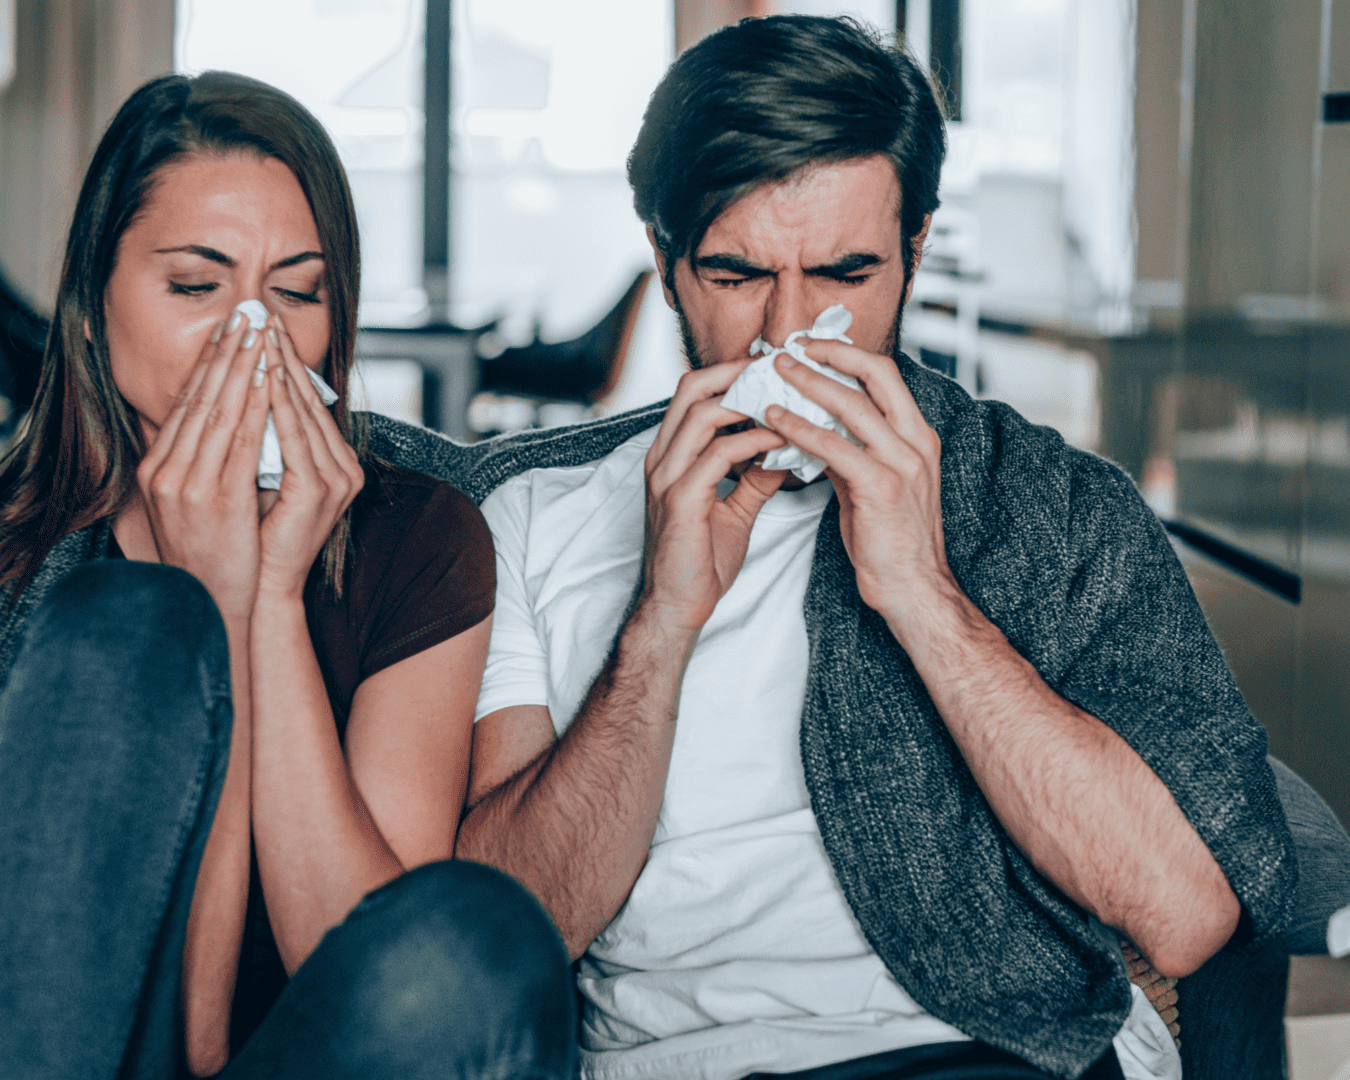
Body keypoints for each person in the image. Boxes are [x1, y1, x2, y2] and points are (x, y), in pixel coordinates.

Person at [358, 15, 1350, 1080]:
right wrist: (663, 618)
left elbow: (1185, 917)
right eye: (736, 275)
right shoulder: (528, 513)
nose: (789, 333)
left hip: (991, 1053)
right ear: (666, 260)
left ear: (914, 251)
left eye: (844, 273)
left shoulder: (1051, 505)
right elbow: (514, 930)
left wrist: (919, 590)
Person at [0, 72, 575, 1079]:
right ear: (91, 307)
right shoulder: (21, 560)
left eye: (296, 292)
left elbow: (361, 968)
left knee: (470, 942)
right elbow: (181, 1042)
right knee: (123, 631)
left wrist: (261, 601)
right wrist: (204, 602)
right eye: (196, 286)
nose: (251, 337)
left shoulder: (420, 532)